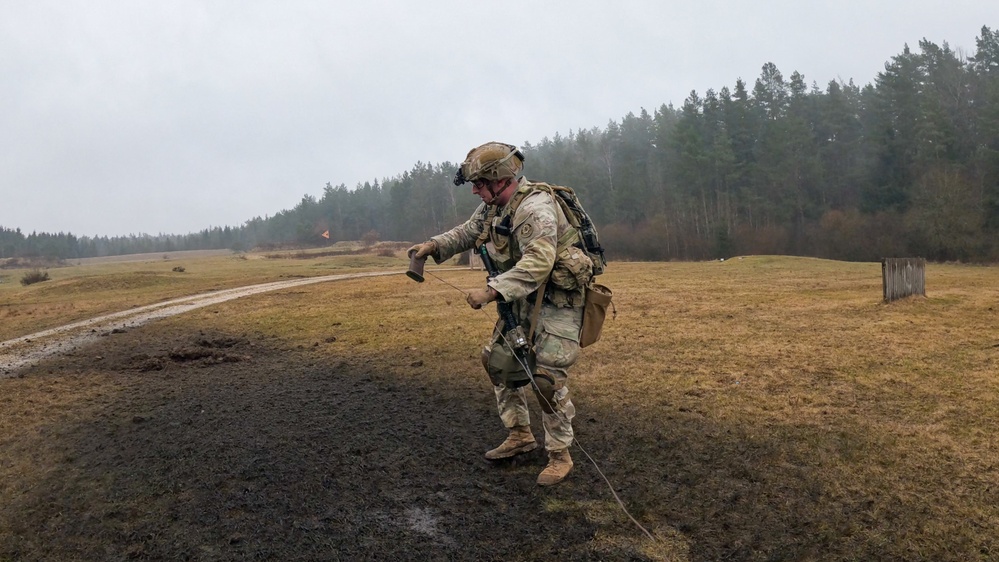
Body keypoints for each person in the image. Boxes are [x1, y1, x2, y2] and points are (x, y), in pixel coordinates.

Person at [408, 141, 594, 486]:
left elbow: (540, 261)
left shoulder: (535, 208)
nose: (475, 190)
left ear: (499, 179)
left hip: (558, 300)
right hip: (521, 295)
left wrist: (492, 291)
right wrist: (433, 245)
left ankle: (559, 454)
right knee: (497, 361)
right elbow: (468, 232)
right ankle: (520, 434)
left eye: (479, 183)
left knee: (546, 381)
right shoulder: (495, 207)